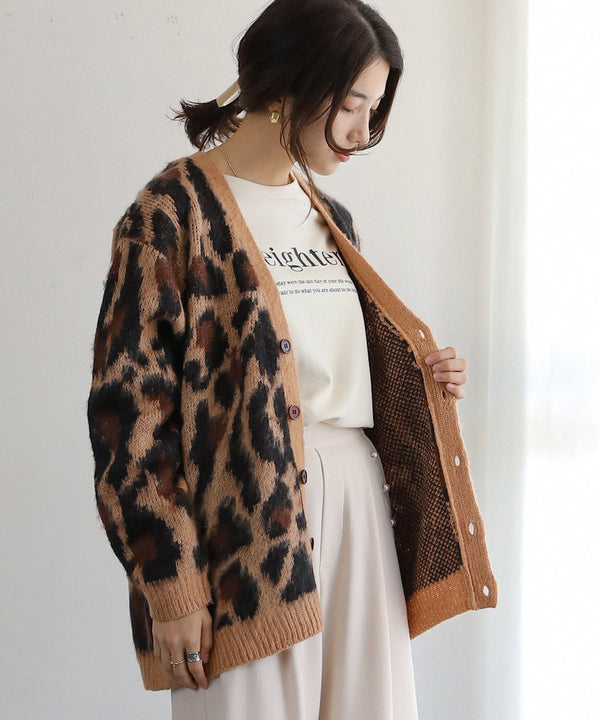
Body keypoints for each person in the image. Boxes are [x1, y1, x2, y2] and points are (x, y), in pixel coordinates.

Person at [87, 1, 497, 718]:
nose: (363, 133)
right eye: (351, 106)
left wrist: (419, 379)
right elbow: (129, 419)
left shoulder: (334, 220)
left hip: (357, 510)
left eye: (374, 110)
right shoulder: (171, 215)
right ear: (288, 86)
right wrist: (170, 586)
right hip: (245, 536)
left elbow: (332, 375)